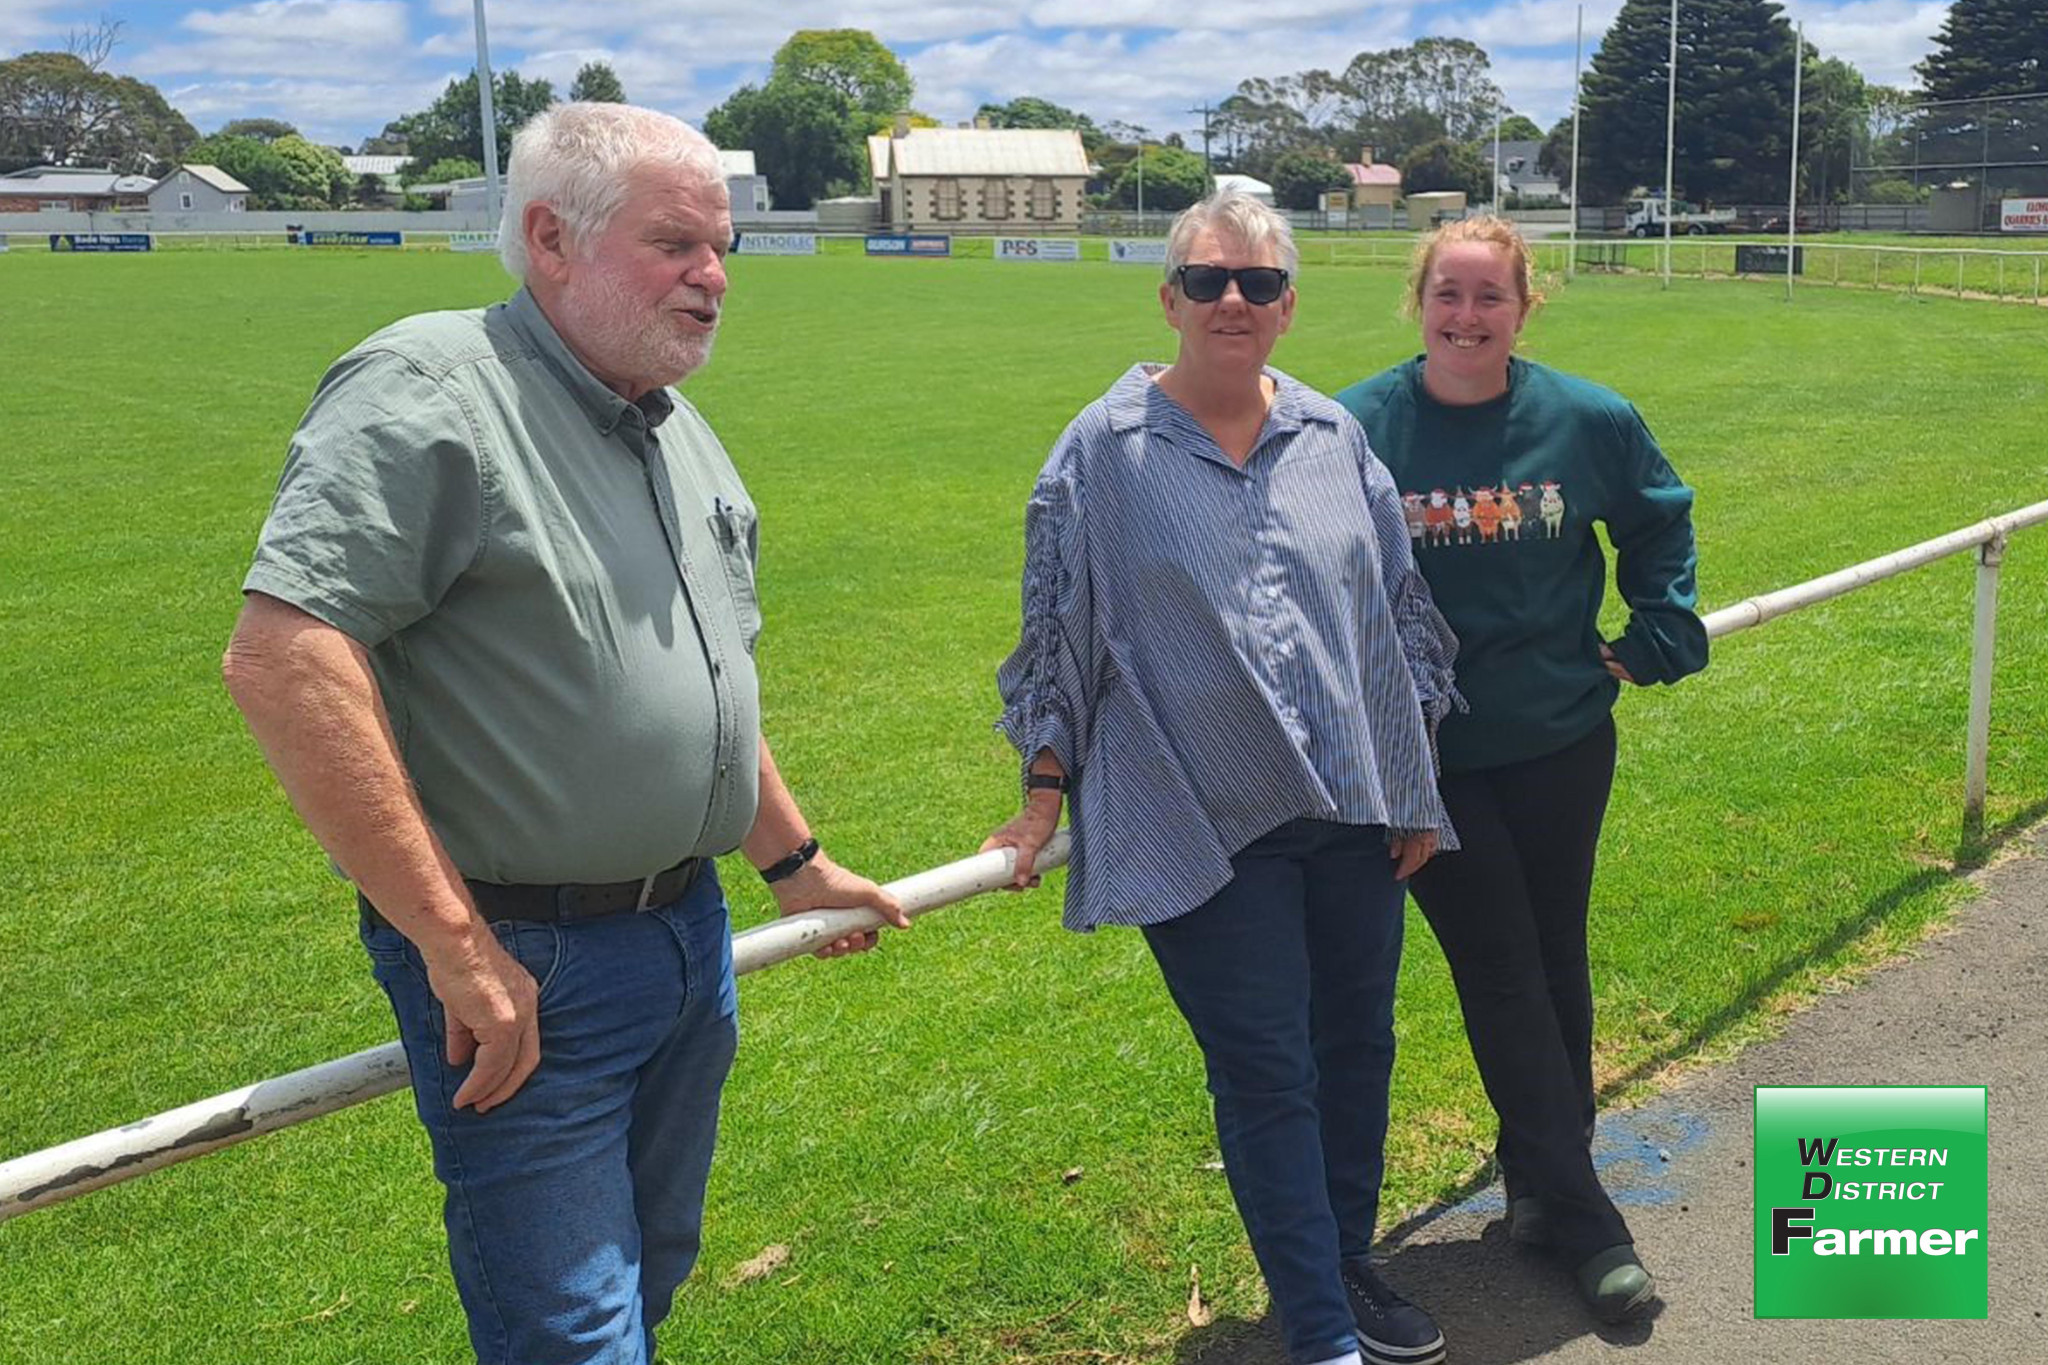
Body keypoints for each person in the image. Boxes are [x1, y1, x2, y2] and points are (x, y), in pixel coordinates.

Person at [222, 102, 908, 1365]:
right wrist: (456, 945)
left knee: (650, 1272)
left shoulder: (671, 426)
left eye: (723, 248)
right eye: (674, 245)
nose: (712, 278)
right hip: (523, 962)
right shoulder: (432, 390)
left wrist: (793, 861)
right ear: (549, 237)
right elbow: (286, 657)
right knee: (574, 1331)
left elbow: (703, 674)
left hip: (686, 935)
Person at [983, 192, 1459, 1365]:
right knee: (1266, 1070)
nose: (1231, 301)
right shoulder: (1104, 451)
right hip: (1203, 823)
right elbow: (1058, 631)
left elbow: (1392, 614)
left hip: (1349, 808)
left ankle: (1347, 1267)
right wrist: (1042, 793)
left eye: (1255, 282)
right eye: (1207, 281)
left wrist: (1410, 779)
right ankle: (1315, 1326)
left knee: (1355, 1048)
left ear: (1289, 304)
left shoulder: (1331, 436)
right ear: (1168, 300)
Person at [1336, 217, 1707, 1323]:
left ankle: (1542, 1188)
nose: (1465, 316)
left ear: (1523, 306)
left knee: (1552, 959)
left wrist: (1652, 636)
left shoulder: (1585, 420)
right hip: (1426, 759)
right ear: (1417, 301)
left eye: (1488, 297)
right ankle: (1586, 1218)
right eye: (1446, 295)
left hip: (1557, 739)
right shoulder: (1354, 426)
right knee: (1499, 967)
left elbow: (1658, 526)